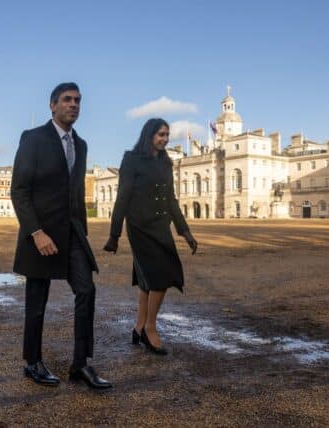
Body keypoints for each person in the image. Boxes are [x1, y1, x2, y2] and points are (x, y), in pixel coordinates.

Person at [11, 82, 111, 389]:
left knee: (87, 291)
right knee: (37, 302)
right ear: (52, 105)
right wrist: (36, 233)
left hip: (73, 235)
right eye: (67, 100)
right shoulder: (33, 139)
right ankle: (32, 362)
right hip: (40, 233)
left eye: (78, 100)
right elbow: (19, 190)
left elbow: (77, 195)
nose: (74, 104)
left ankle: (81, 364)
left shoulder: (80, 145)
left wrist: (83, 233)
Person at [103, 118, 197, 355]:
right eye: (160, 135)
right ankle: (150, 328)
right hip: (140, 227)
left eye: (167, 135)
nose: (165, 139)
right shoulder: (132, 160)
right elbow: (122, 197)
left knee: (149, 281)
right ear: (149, 135)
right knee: (160, 277)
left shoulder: (166, 163)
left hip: (160, 227)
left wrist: (184, 231)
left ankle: (139, 327)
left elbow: (171, 199)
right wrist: (114, 235)